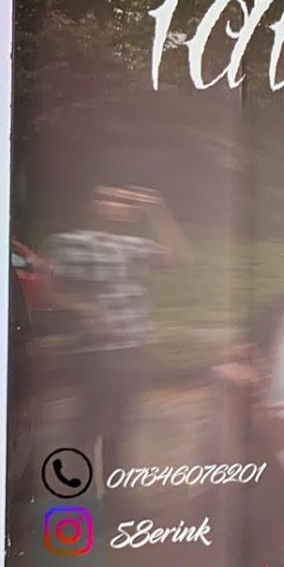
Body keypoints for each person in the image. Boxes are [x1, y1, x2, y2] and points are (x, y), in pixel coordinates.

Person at [46, 184, 189, 475]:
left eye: (124, 201)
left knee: (123, 429)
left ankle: (119, 505)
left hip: (132, 349)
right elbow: (49, 289)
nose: (118, 205)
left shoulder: (133, 245)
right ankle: (75, 501)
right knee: (89, 427)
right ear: (91, 205)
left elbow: (178, 256)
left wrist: (156, 209)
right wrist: (84, 309)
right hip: (94, 352)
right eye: (109, 198)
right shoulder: (71, 243)